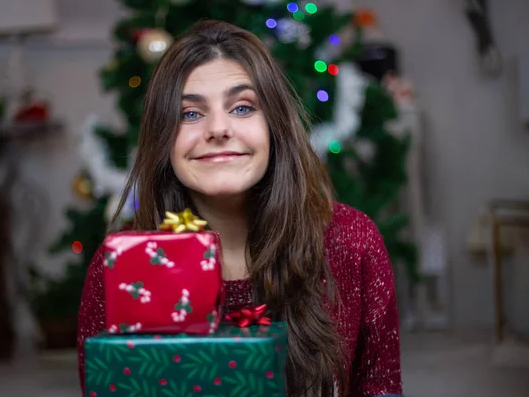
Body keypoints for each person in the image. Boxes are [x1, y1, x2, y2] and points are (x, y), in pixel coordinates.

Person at [77, 20, 402, 397]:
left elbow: (381, 387)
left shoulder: (351, 240)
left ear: (274, 127)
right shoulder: (121, 269)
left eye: (243, 107)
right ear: (163, 139)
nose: (218, 128)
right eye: (191, 114)